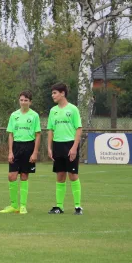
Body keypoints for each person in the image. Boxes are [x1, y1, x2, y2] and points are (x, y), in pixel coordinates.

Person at [1, 91, 41, 214]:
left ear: (30, 102)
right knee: (11, 176)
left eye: (26, 100)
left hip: (29, 146)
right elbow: (11, 134)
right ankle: (13, 205)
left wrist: (35, 152)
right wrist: (10, 152)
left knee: (24, 175)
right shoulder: (14, 115)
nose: (23, 102)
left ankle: (22, 206)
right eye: (21, 100)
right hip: (16, 147)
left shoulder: (34, 116)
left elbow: (38, 135)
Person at [47, 83, 84, 215]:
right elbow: (50, 129)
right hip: (57, 145)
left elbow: (79, 128)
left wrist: (74, 147)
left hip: (70, 145)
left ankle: (78, 206)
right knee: (60, 175)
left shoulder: (73, 109)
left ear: (63, 93)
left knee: (73, 175)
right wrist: (49, 147)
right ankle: (59, 206)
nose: (53, 95)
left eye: (55, 93)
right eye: (52, 93)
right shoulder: (53, 111)